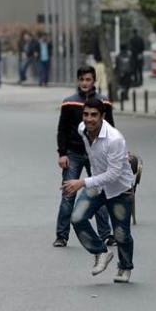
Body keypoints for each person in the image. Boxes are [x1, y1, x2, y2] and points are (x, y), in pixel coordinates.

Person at [62, 98, 135, 283]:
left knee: (121, 234)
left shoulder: (114, 139)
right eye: (86, 114)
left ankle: (125, 267)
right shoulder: (82, 129)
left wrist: (82, 182)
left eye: (94, 115)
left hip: (120, 189)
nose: (89, 119)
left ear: (103, 116)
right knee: (77, 218)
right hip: (97, 185)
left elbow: (114, 174)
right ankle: (101, 252)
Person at [54, 66, 115, 247]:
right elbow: (62, 130)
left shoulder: (104, 102)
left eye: (88, 79)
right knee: (68, 194)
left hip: (97, 153)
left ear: (94, 80)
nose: (85, 83)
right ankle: (61, 235)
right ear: (78, 81)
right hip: (73, 153)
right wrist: (62, 154)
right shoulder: (69, 103)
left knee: (99, 193)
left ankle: (105, 234)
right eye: (82, 80)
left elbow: (110, 128)